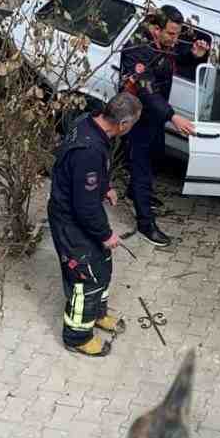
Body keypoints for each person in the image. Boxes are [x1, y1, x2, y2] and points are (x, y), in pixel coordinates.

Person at [48, 92, 142, 357]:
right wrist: (106, 234)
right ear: (123, 124)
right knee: (85, 278)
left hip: (79, 212)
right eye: (132, 124)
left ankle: (97, 314)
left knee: (101, 265)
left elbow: (87, 176)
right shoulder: (88, 150)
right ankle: (77, 336)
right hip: (70, 220)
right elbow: (86, 207)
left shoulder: (89, 122)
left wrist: (104, 186)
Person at [119, 5, 208, 247]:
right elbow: (147, 92)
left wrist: (194, 55)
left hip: (155, 116)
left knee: (156, 155)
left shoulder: (167, 41)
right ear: (156, 28)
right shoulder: (137, 49)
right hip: (137, 117)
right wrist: (173, 116)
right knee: (142, 168)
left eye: (177, 34)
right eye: (171, 33)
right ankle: (146, 223)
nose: (175, 39)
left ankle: (135, 192)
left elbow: (177, 56)